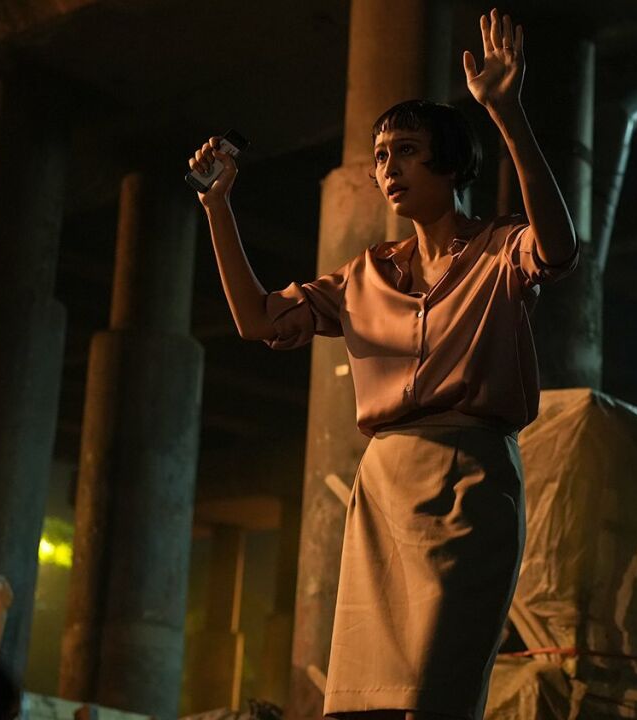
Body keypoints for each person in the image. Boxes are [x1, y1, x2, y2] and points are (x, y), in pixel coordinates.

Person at [189, 9, 577, 719]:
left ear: (450, 164)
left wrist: (509, 114)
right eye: (379, 155)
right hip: (384, 494)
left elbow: (559, 248)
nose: (387, 167)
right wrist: (218, 208)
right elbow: (256, 320)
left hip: (469, 487)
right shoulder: (363, 275)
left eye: (405, 150)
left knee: (437, 694)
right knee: (364, 706)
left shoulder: (499, 249)